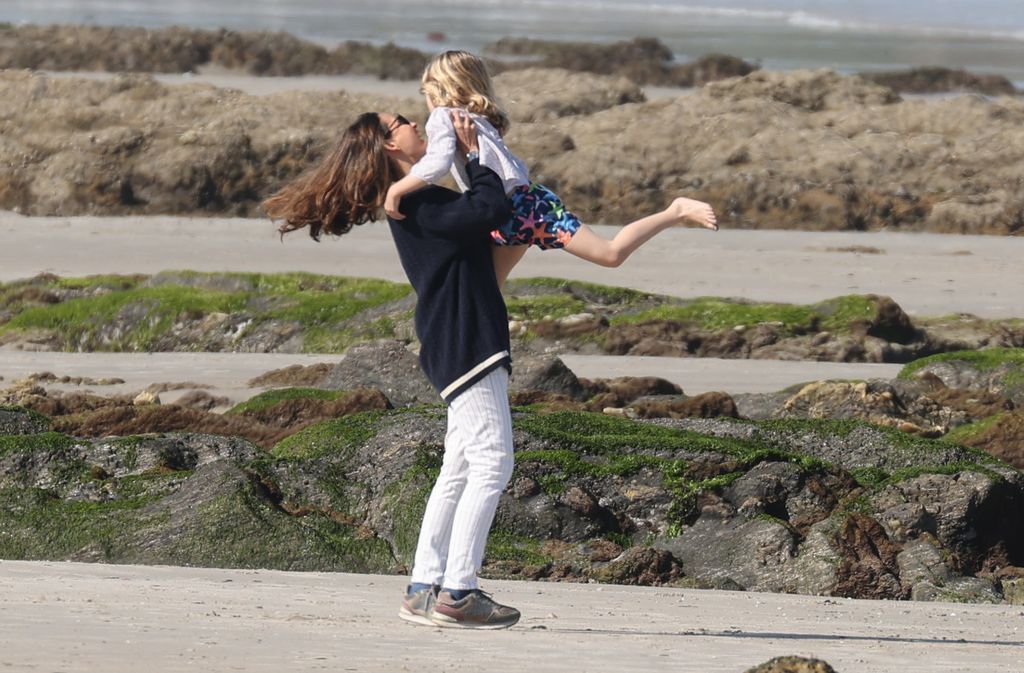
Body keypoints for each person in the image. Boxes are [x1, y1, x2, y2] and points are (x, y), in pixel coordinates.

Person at [263, 110, 521, 629]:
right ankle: (460, 592)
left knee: (462, 466)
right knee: (494, 463)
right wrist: (473, 156)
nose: (414, 123)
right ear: (386, 144)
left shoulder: (414, 197)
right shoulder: (416, 202)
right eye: (402, 121)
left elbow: (483, 218)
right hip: (466, 343)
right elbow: (489, 208)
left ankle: (425, 588)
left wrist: (471, 159)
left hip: (458, 342)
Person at [384, 49, 719, 288]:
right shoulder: (476, 118)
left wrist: (398, 188)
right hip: (509, 211)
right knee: (488, 292)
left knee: (610, 254)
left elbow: (438, 162)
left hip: (525, 209)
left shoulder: (445, 115)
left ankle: (675, 211)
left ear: (444, 90)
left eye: (426, 92)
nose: (425, 101)